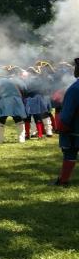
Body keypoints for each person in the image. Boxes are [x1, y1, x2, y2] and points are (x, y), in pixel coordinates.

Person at [55, 58, 79, 186]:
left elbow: (68, 110)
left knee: (70, 152)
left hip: (74, 127)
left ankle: (64, 180)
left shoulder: (75, 88)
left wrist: (62, 124)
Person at [0, 66, 27, 144]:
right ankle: (21, 139)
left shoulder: (1, 81)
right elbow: (25, 89)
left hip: (3, 102)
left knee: (1, 120)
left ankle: (0, 140)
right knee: (18, 120)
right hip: (16, 102)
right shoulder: (18, 80)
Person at [23, 66, 51, 140]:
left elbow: (24, 89)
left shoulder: (26, 80)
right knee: (37, 117)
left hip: (28, 99)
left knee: (27, 118)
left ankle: (28, 134)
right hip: (37, 98)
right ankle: (40, 135)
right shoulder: (39, 79)